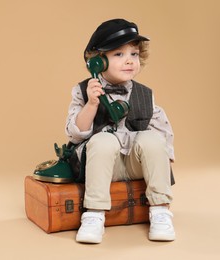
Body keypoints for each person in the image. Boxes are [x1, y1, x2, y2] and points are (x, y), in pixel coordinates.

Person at [65, 18, 175, 244]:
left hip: (136, 164)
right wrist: (92, 104)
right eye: (118, 55)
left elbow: (162, 131)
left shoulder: (145, 93)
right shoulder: (83, 91)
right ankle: (94, 214)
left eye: (133, 54)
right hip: (101, 166)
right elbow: (75, 134)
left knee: (152, 138)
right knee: (104, 141)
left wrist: (164, 161)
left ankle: (161, 211)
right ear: (98, 62)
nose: (129, 61)